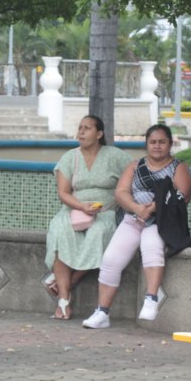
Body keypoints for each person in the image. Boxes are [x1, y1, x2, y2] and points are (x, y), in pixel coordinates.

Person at [82, 124, 191, 329]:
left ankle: (151, 298)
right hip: (134, 218)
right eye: (153, 142)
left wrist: (154, 208)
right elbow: (121, 192)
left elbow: (182, 195)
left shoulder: (178, 167)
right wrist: (137, 208)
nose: (157, 146)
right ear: (146, 144)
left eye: (162, 142)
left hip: (162, 222)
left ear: (170, 144)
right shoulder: (135, 166)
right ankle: (102, 312)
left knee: (151, 245)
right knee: (110, 259)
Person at [44, 115, 132, 320]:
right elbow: (63, 193)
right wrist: (81, 206)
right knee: (59, 230)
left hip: (105, 212)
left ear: (99, 133)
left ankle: (67, 284)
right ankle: (63, 301)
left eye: (87, 128)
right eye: (80, 128)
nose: (81, 132)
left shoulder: (116, 156)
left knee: (99, 233)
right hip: (73, 210)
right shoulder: (69, 157)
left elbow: (136, 173)